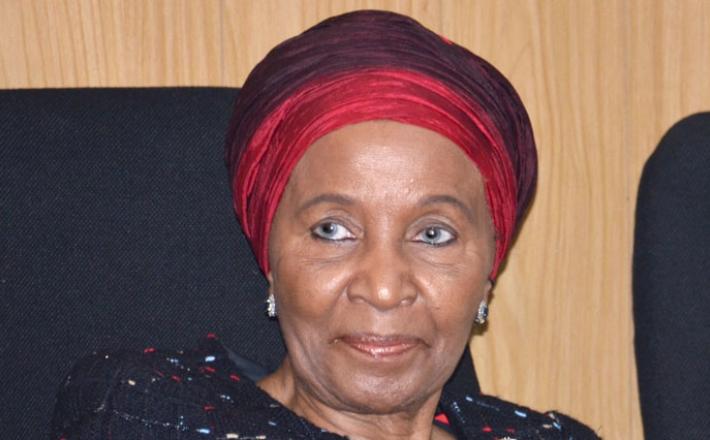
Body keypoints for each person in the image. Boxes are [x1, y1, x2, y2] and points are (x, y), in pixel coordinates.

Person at [52, 10, 599, 439]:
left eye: (433, 234)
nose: (383, 288)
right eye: (333, 230)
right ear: (269, 255)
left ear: (488, 271)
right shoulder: (145, 414)